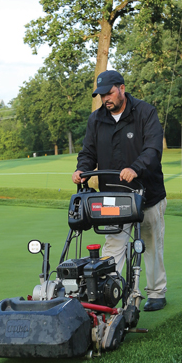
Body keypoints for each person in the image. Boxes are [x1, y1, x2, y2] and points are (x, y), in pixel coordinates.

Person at [72, 70, 168, 312]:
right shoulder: (96, 119)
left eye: (109, 92)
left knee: (150, 244)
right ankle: (108, 293)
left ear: (122, 88)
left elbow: (153, 149)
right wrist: (82, 170)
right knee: (113, 246)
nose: (106, 98)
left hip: (147, 194)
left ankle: (156, 292)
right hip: (112, 197)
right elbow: (88, 153)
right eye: (101, 95)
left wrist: (136, 168)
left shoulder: (145, 112)